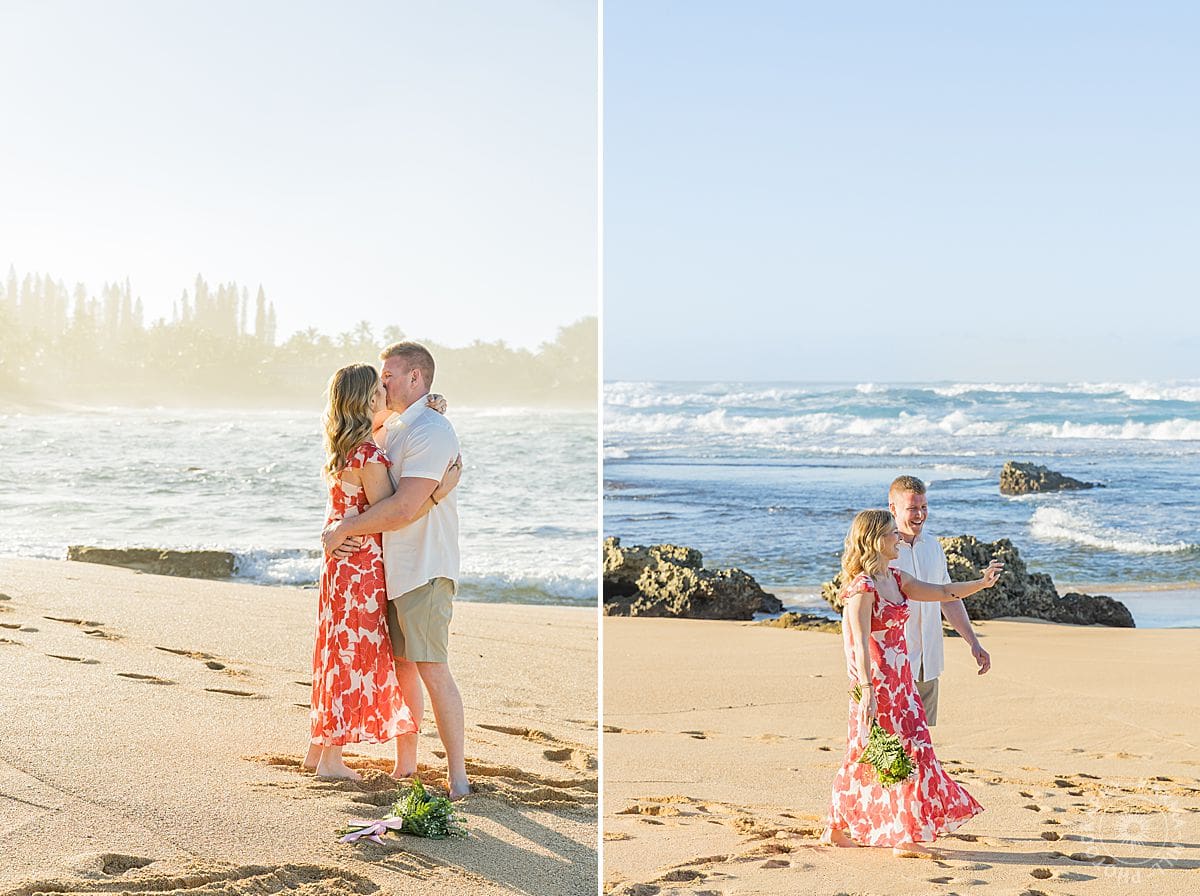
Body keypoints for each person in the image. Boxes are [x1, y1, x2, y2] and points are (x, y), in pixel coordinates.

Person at [321, 341, 469, 799]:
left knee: (431, 666)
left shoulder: (431, 431)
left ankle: (458, 778)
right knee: (402, 665)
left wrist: (343, 529)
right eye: (379, 379)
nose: (382, 382)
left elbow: (402, 507)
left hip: (423, 566)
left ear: (416, 378)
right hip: (385, 569)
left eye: (390, 376)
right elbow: (363, 435)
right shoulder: (395, 425)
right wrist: (342, 531)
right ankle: (407, 765)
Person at [822, 509, 1002, 856]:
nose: (898, 539)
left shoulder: (896, 576)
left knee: (900, 751)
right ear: (876, 540)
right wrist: (867, 694)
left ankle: (836, 827)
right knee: (880, 754)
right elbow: (858, 643)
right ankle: (904, 837)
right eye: (892, 533)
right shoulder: (862, 588)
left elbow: (944, 591)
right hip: (876, 687)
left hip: (902, 681)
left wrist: (980, 584)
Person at [888, 475, 990, 726]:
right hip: (895, 662)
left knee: (922, 739)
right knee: (890, 741)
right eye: (912, 508)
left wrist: (973, 642)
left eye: (924, 507)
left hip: (928, 660)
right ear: (893, 508)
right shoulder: (884, 550)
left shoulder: (933, 546)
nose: (920, 515)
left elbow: (948, 597)